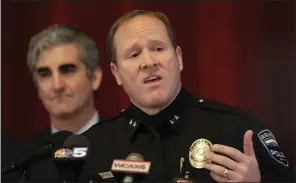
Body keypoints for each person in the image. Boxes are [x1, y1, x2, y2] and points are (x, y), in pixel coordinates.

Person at [80, 9, 295, 182]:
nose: (149, 62)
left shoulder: (237, 130)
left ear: (179, 58)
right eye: (134, 54)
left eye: (158, 48)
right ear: (116, 73)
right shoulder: (94, 147)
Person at [2, 24, 103, 182]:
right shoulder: (18, 162)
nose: (57, 86)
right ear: (37, 86)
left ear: (95, 78)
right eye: (45, 74)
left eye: (67, 70)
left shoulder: (132, 147)